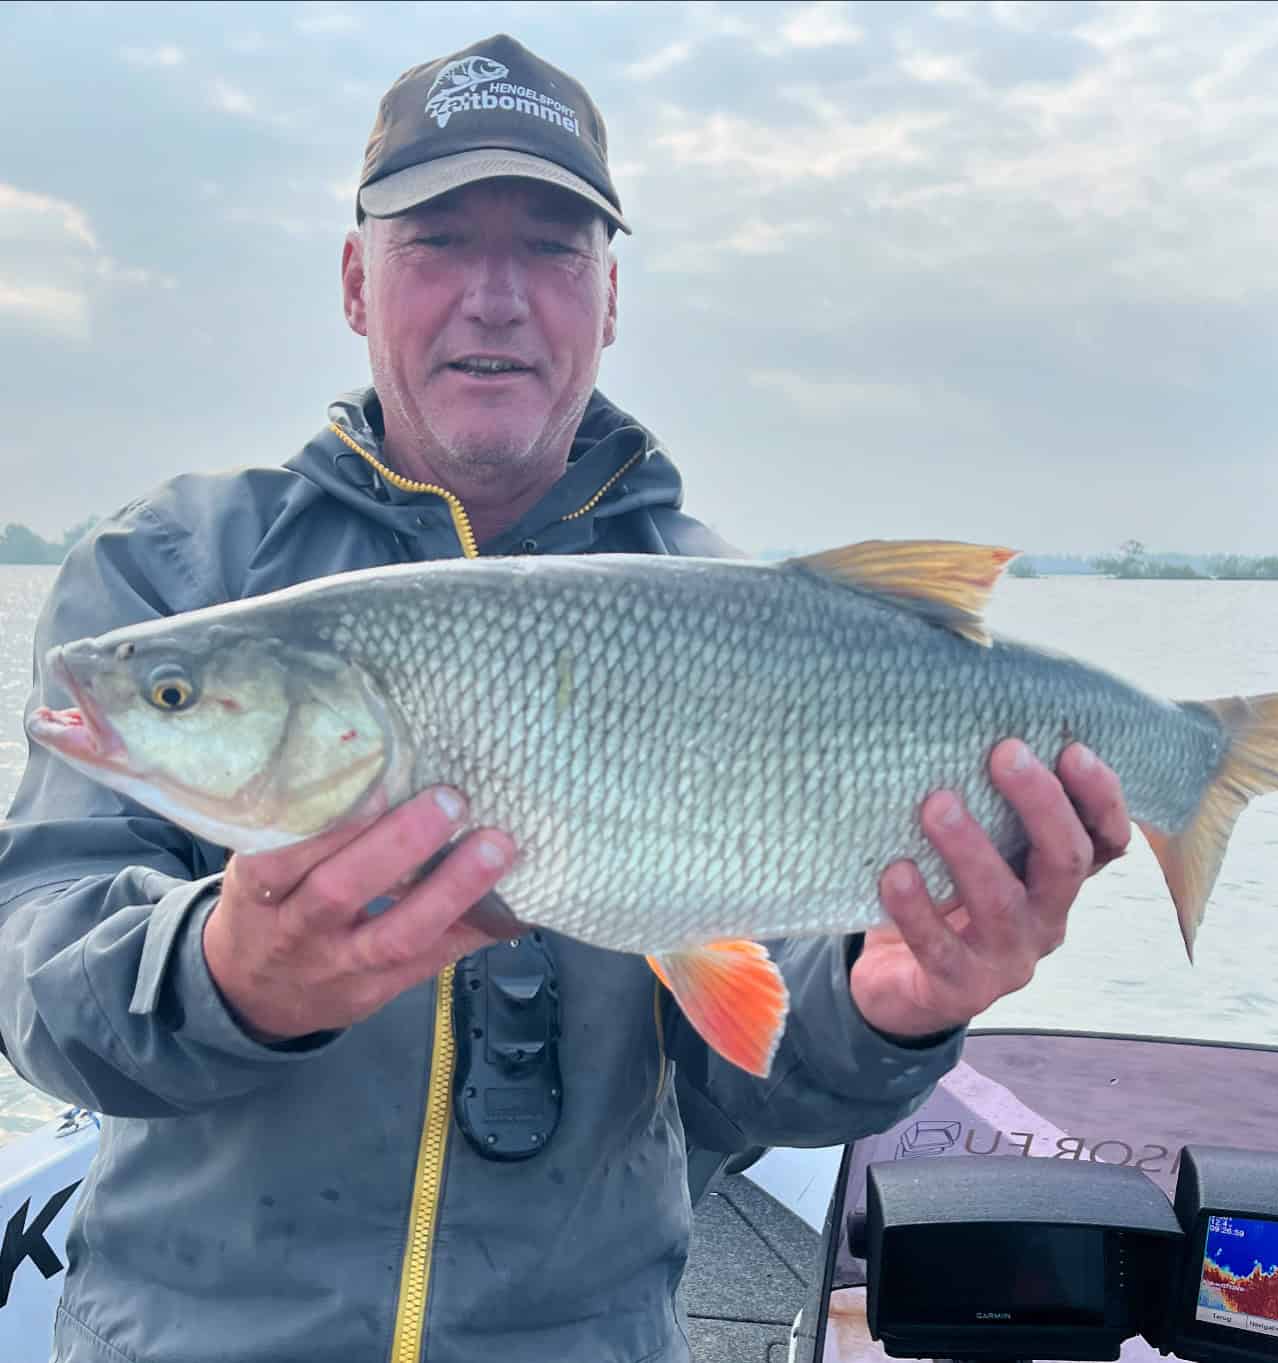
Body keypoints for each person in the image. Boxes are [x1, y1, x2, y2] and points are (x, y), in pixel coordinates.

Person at [0, 33, 1130, 1363]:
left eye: (549, 246)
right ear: (358, 282)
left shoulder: (737, 613)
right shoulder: (170, 571)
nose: (494, 297)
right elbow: (36, 974)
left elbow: (754, 1065)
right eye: (437, 242)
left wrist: (899, 1008)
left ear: (610, 299)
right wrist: (226, 974)